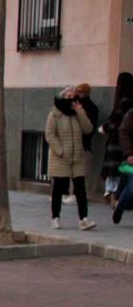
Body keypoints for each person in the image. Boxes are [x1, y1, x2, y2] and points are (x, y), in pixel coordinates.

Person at [45, 86, 95, 230]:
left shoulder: (77, 113)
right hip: (61, 157)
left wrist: (80, 111)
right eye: (68, 96)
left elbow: (88, 129)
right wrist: (60, 150)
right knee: (59, 189)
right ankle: (55, 217)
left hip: (77, 156)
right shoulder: (55, 114)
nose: (71, 99)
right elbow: (50, 134)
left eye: (74, 96)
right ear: (63, 97)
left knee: (80, 188)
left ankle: (83, 219)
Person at [100, 72, 132, 206]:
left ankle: (116, 201)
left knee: (117, 172)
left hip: (118, 143)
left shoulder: (124, 102)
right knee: (124, 173)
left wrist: (104, 128)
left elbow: (116, 122)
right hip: (126, 143)